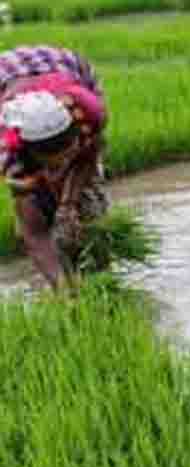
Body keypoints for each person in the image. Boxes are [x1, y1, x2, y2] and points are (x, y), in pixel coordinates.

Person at [0, 45, 109, 289]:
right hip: (5, 77)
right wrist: (64, 290)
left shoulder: (87, 109)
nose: (63, 163)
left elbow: (90, 151)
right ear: (32, 153)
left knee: (90, 202)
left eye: (69, 152)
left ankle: (94, 257)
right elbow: (34, 235)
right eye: (53, 161)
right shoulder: (11, 153)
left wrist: (69, 204)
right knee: (33, 205)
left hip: (60, 65)